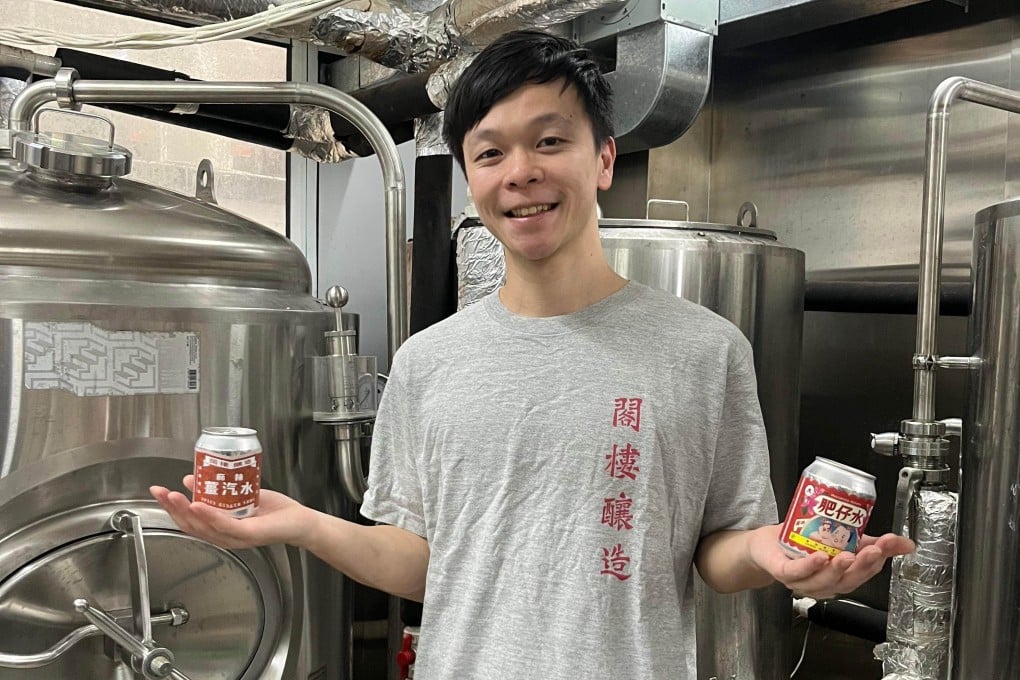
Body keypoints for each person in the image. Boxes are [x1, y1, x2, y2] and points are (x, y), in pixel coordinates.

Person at [151, 29, 913, 678]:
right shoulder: (427, 363)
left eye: (550, 141)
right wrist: (301, 524)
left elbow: (715, 552)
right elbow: (422, 562)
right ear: (471, 179)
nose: (521, 173)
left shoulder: (705, 351)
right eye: (491, 153)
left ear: (604, 159)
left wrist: (775, 555)